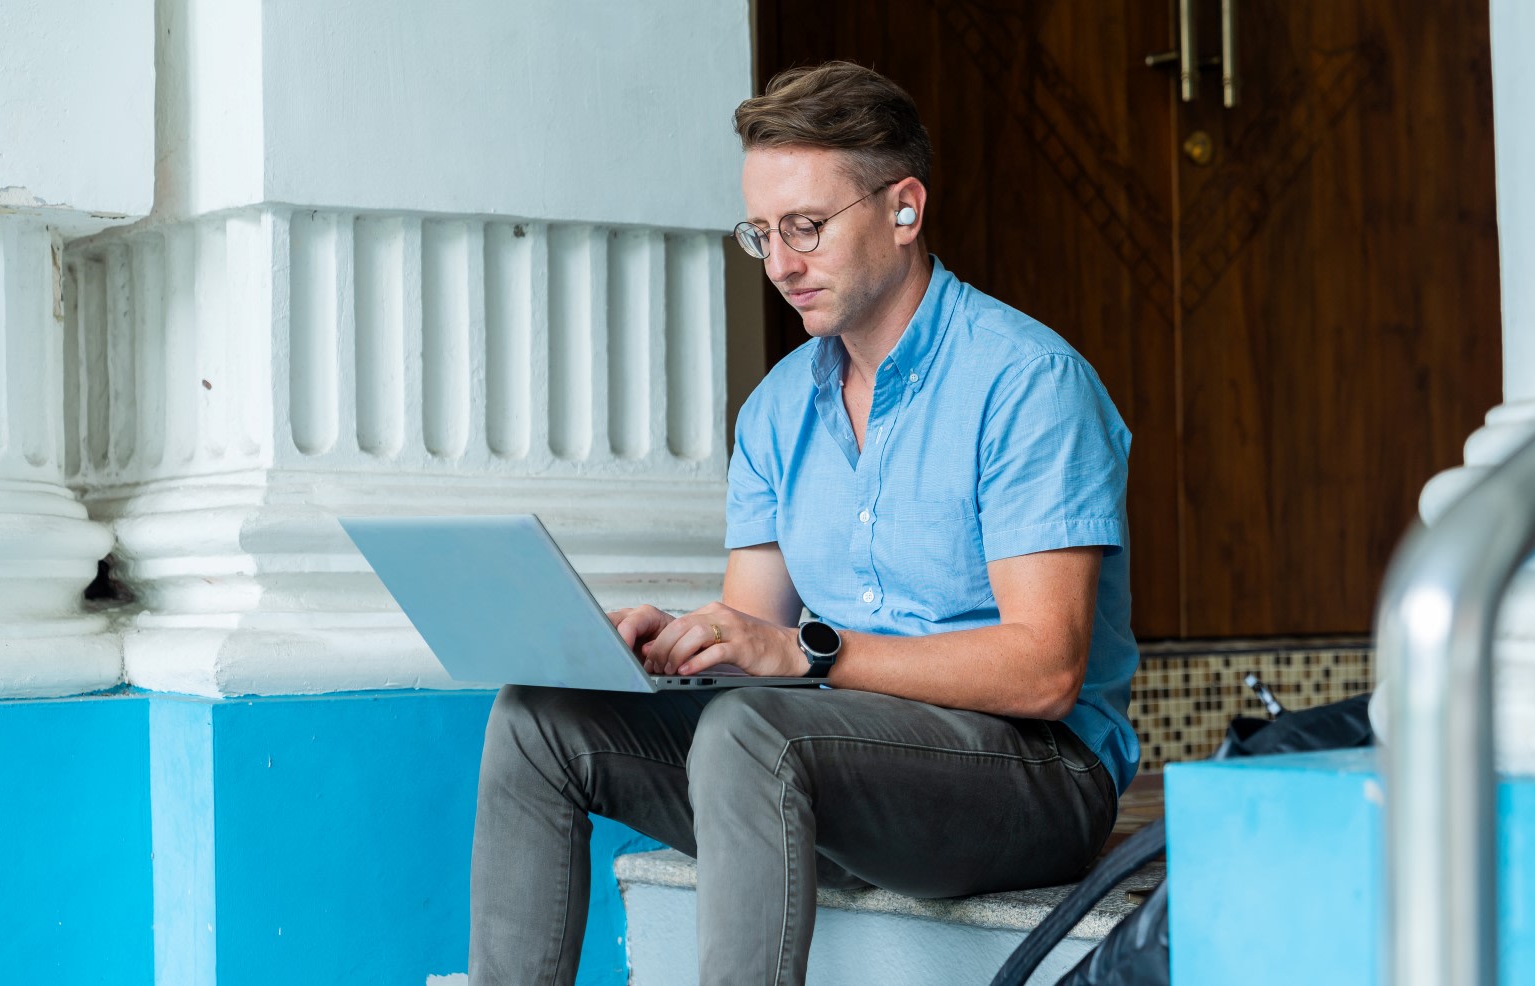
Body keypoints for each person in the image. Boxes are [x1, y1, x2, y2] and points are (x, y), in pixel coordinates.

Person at [469, 60, 1140, 986]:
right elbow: (756, 629)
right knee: (542, 718)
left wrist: (810, 654)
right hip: (831, 766)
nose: (782, 263)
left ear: (903, 209)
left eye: (807, 228)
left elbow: (1046, 670)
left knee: (754, 730)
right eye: (762, 233)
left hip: (1037, 779)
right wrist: (684, 639)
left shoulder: (1026, 383)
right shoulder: (778, 409)